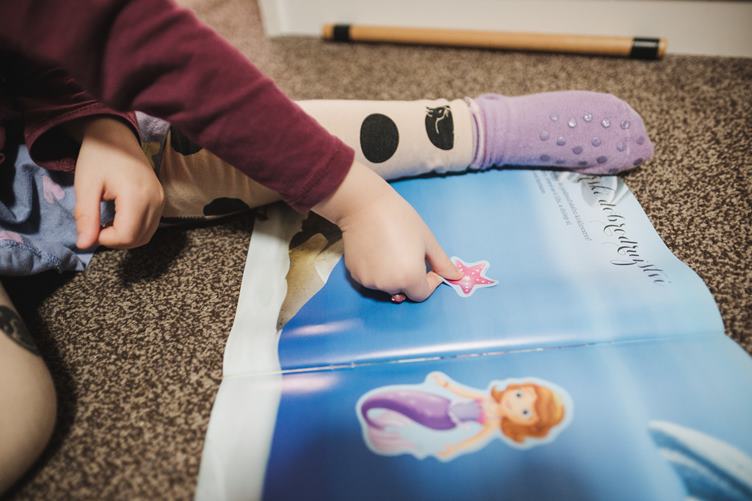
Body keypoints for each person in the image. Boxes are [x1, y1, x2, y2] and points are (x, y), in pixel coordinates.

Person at [0, 0, 653, 491]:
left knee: (219, 147)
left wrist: (96, 123)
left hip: (36, 155)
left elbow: (100, 30)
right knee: (20, 415)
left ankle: (474, 129)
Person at [357, 372, 568, 461]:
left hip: (444, 421)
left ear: (524, 425)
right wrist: (446, 384)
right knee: (407, 401)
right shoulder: (486, 399)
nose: (515, 403)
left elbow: (476, 439)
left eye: (525, 412)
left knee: (414, 413)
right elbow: (463, 392)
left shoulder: (491, 422)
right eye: (520, 395)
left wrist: (455, 449)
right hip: (443, 404)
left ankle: (394, 429)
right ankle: (384, 416)